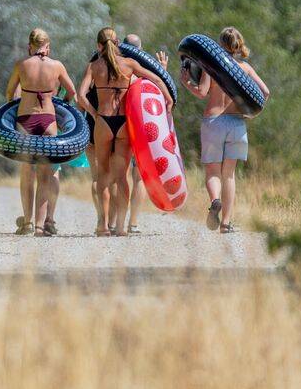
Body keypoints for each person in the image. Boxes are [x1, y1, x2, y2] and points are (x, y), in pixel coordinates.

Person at [77, 27, 173, 236]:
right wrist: (169, 99)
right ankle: (120, 227)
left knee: (102, 174)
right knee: (121, 177)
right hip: (123, 124)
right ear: (118, 42)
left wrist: (94, 114)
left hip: (103, 121)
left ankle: (102, 226)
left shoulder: (94, 66)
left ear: (98, 46)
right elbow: (156, 79)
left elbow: (80, 96)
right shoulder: (129, 64)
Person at [179, 27, 271, 234]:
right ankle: (226, 223)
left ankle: (215, 200)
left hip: (213, 121)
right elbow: (265, 92)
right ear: (238, 45)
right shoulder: (245, 68)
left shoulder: (211, 67)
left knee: (212, 170)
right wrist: (251, 113)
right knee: (229, 174)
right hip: (237, 123)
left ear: (219, 45)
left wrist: (186, 83)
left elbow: (202, 93)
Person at [6, 28, 79, 236]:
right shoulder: (57, 65)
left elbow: (10, 93)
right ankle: (40, 226)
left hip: (25, 120)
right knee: (45, 175)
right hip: (48, 120)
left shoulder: (22, 64)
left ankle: (27, 222)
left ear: (30, 46)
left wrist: (12, 111)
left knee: (27, 171)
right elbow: (72, 91)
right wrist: (61, 104)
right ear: (47, 46)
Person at [108, 33, 171, 235]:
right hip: (142, 130)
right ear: (140, 49)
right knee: (139, 178)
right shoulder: (142, 70)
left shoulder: (120, 67)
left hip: (121, 127)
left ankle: (115, 221)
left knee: (119, 176)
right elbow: (157, 93)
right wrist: (163, 70)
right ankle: (132, 223)